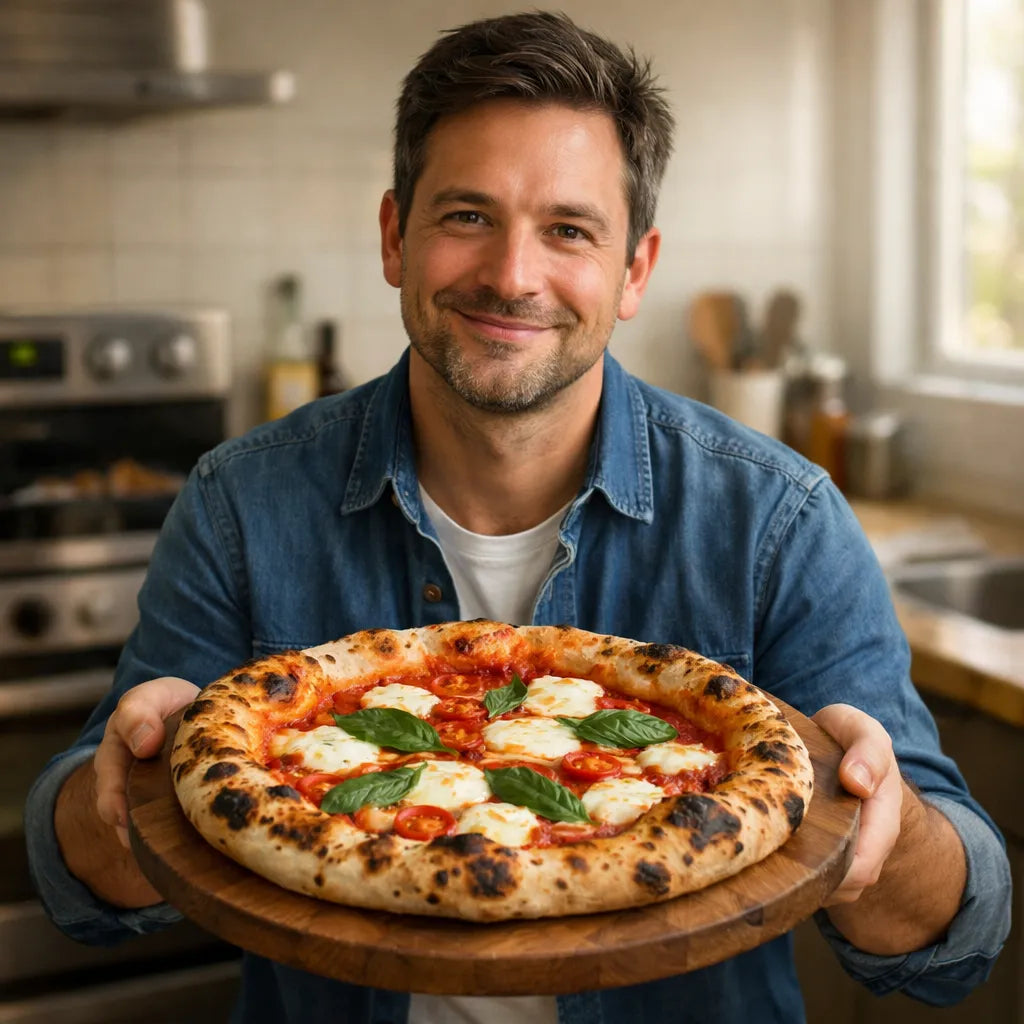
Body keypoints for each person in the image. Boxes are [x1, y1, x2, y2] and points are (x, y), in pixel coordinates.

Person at [27, 11, 1010, 1024]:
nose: (510, 275)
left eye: (568, 230)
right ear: (394, 237)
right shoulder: (242, 501)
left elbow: (952, 938)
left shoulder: (777, 519)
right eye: (467, 216)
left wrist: (884, 824)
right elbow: (85, 890)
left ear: (635, 269)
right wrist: (122, 793)